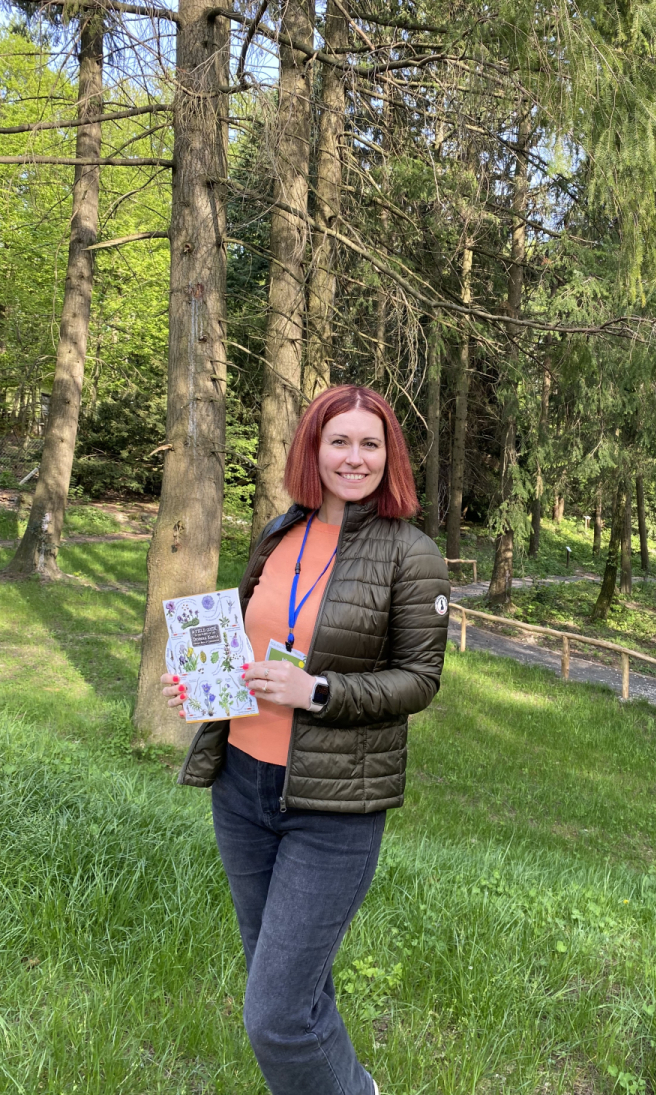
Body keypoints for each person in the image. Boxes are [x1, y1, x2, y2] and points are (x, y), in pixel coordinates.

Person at [161, 385, 450, 1095]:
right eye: (338, 441)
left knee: (277, 1016)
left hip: (333, 809)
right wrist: (201, 680)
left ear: (390, 456)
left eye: (370, 444)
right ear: (312, 451)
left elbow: (420, 680)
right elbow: (248, 634)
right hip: (240, 789)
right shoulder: (279, 533)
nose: (354, 457)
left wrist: (317, 691)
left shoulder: (412, 555)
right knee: (292, 988)